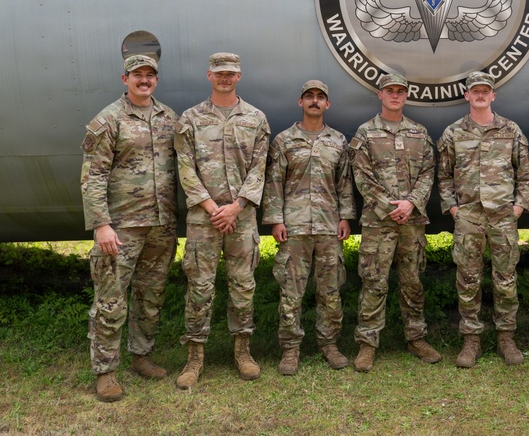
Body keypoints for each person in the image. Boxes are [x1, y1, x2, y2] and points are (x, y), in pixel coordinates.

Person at [80, 54, 178, 402]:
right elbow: (94, 176)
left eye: (150, 75)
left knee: (150, 297)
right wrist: (101, 225)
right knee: (110, 301)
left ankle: (142, 356)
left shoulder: (169, 118)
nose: (144, 80)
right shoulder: (108, 120)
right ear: (125, 79)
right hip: (121, 228)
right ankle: (106, 372)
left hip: (161, 225)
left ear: (156, 80)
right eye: (138, 75)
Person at [173, 53, 270, 389]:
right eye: (219, 73)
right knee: (199, 288)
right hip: (204, 218)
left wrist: (237, 207)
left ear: (239, 76)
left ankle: (243, 352)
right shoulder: (190, 119)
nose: (225, 78)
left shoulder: (256, 119)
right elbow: (185, 167)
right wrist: (213, 207)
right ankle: (194, 358)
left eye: (230, 73)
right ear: (209, 75)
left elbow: (259, 168)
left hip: (241, 219)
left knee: (243, 287)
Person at [438, 71, 529, 368]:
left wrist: (518, 209)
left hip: (503, 216)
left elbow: (525, 175)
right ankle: (471, 341)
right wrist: (454, 210)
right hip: (469, 217)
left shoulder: (510, 130)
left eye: (485, 91)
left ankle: (506, 338)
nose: (480, 95)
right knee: (468, 280)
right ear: (466, 96)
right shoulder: (453, 133)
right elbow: (443, 176)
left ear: (493, 96)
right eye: (474, 91)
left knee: (505, 279)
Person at [350, 73, 441, 371]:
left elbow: (429, 172)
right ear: (380, 94)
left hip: (411, 222)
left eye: (400, 91)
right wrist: (389, 207)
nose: (395, 95)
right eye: (390, 90)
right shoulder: (365, 134)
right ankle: (367, 343)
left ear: (405, 96)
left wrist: (411, 203)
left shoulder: (418, 133)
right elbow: (362, 176)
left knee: (412, 281)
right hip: (379, 222)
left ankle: (416, 338)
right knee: (374, 281)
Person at [263, 80, 355, 375]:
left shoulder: (338, 141)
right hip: (295, 226)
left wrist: (345, 217)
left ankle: (329, 344)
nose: (314, 101)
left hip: (329, 227)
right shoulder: (284, 140)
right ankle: (290, 349)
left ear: (328, 104)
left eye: (320, 97)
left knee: (331, 291)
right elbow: (274, 183)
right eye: (309, 97)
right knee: (291, 292)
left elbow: (344, 183)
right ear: (300, 102)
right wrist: (276, 219)